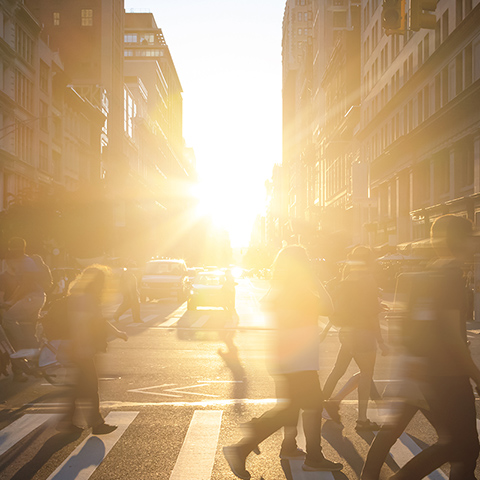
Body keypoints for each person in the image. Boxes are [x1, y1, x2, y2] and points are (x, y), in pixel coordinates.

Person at [361, 214, 480, 480]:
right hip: (448, 375)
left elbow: (418, 322)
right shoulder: (449, 276)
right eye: (471, 236)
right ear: (459, 240)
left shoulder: (431, 272)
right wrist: (475, 373)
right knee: (459, 446)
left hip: (428, 372)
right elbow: (451, 335)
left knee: (462, 448)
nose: (475, 242)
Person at [223, 245, 343, 479]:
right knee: (304, 407)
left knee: (297, 409)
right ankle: (249, 442)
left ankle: (292, 449)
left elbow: (285, 315)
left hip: (288, 359)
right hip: (300, 361)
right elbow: (329, 307)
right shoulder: (300, 290)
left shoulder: (282, 288)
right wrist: (316, 278)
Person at [323, 246, 388, 431]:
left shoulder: (347, 277)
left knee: (344, 370)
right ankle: (361, 420)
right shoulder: (368, 280)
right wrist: (381, 341)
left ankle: (329, 402)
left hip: (347, 332)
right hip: (363, 333)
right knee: (367, 374)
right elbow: (370, 315)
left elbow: (348, 307)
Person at [58, 264, 128, 434]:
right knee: (89, 386)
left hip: (77, 347)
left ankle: (67, 421)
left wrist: (117, 333)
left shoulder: (80, 296)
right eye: (102, 282)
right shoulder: (86, 298)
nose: (104, 286)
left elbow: (99, 320)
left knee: (79, 386)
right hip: (81, 347)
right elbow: (79, 323)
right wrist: (82, 345)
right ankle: (96, 423)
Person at [2, 238, 47, 381]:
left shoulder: (26, 263)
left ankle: (21, 348)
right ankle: (38, 361)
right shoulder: (23, 261)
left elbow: (25, 286)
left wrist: (11, 301)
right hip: (31, 299)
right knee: (29, 332)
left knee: (9, 321)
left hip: (31, 299)